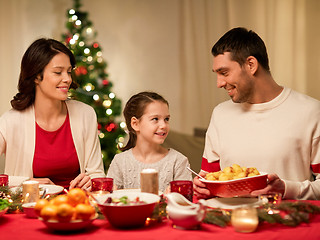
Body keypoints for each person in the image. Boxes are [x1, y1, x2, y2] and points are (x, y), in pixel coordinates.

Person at [0, 38, 105, 189]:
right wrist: (26, 182)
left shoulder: (85, 114)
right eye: (58, 72)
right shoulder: (11, 121)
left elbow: (97, 174)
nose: (67, 79)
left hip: (75, 207)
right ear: (36, 76)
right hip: (29, 209)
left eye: (69, 72)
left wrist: (91, 180)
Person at [193, 27, 320, 200]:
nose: (219, 83)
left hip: (289, 223)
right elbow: (208, 179)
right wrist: (201, 187)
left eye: (224, 73)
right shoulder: (220, 114)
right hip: (231, 223)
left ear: (251, 65)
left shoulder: (311, 111)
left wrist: (286, 189)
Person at [106, 91, 192, 192]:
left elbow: (185, 202)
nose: (163, 125)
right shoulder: (120, 162)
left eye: (166, 119)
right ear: (135, 124)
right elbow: (110, 200)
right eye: (155, 119)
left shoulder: (178, 161)